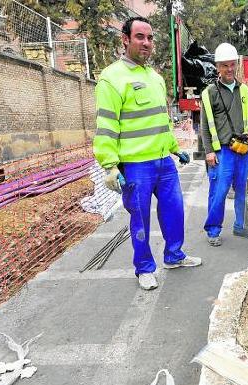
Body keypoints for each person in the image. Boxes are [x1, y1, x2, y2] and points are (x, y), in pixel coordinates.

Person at [93, 16, 201, 291]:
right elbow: (106, 126)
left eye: (150, 38)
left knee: (174, 211)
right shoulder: (111, 78)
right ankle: (144, 268)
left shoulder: (154, 78)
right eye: (140, 37)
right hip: (135, 165)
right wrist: (109, 165)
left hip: (163, 162)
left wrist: (176, 149)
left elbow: (161, 121)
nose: (147, 43)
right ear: (125, 39)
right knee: (140, 218)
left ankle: (174, 255)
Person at [200, 42, 248, 246]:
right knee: (219, 190)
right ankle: (213, 230)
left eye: (232, 65)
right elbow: (204, 125)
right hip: (222, 152)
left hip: (242, 150)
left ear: (237, 65)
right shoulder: (210, 93)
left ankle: (241, 226)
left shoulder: (244, 90)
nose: (229, 69)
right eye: (224, 65)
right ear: (217, 67)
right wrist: (209, 152)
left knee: (244, 189)